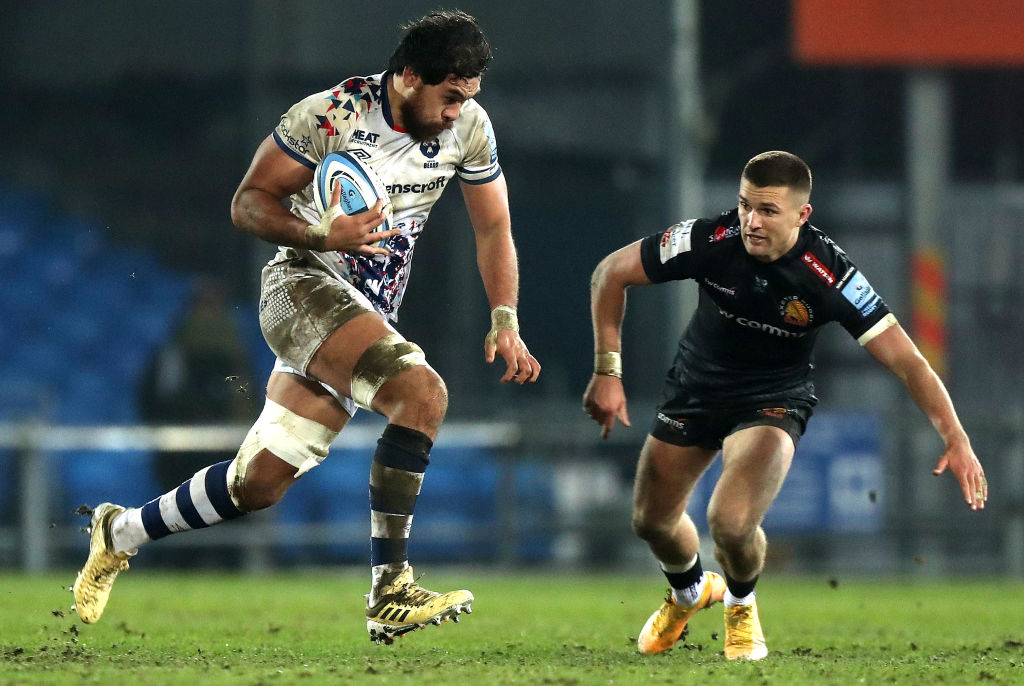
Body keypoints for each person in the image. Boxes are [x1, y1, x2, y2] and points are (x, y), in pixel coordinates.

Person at [73, 9, 540, 645]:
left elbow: (494, 228)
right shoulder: (332, 115)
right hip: (301, 288)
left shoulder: (471, 130)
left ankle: (119, 531)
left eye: (468, 98)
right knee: (422, 394)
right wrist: (322, 232)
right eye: (451, 96)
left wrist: (505, 318)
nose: (459, 111)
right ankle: (390, 589)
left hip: (365, 312)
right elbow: (247, 202)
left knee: (257, 485)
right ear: (408, 76)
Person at [582, 151, 986, 660]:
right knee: (650, 522)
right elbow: (609, 274)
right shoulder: (710, 239)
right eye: (745, 205)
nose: (752, 220)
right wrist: (607, 371)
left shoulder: (829, 274)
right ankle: (689, 593)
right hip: (696, 389)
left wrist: (956, 436)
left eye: (768, 210)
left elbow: (909, 362)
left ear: (802, 215)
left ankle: (741, 606)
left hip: (772, 400)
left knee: (729, 521)